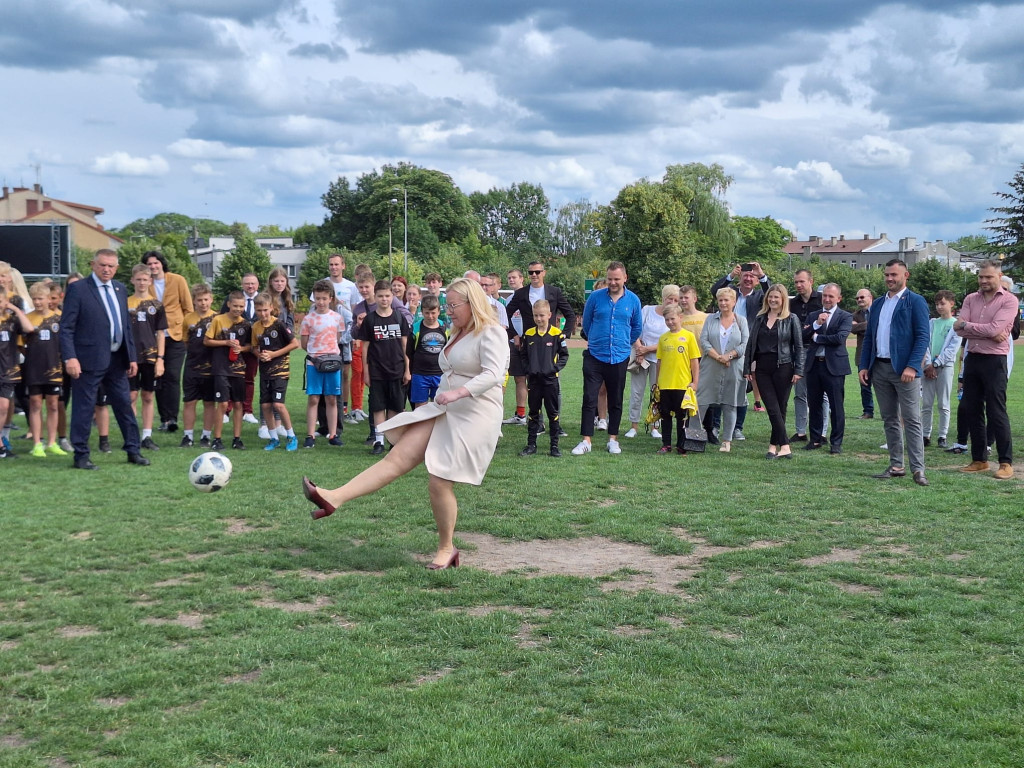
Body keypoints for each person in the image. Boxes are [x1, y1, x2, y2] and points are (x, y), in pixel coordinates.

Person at [302, 278, 509, 570]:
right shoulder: (458, 332)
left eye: (453, 305)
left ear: (471, 303)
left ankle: (446, 548)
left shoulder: (491, 333)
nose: (449, 311)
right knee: (396, 457)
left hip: (475, 413)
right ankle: (333, 497)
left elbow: (492, 374)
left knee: (439, 479)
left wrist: (459, 392)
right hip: (445, 407)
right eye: (447, 305)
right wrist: (445, 397)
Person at [60, 249, 150, 469]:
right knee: (84, 408)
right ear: (93, 265)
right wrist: (70, 357)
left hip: (117, 360)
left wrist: (131, 357)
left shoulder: (120, 289)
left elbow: (125, 326)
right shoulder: (78, 289)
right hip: (87, 359)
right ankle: (81, 455)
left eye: (111, 266)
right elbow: (66, 327)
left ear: (117, 268)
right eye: (103, 265)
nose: (107, 269)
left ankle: (133, 450)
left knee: (124, 406)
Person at [858, 259, 930, 486]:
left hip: (905, 370)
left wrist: (912, 366)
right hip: (879, 368)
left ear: (905, 275)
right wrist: (863, 365)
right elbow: (869, 337)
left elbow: (922, 337)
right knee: (889, 419)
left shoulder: (915, 301)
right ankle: (897, 465)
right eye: (887, 275)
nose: (889, 278)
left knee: (912, 419)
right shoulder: (878, 304)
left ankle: (918, 469)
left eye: (894, 275)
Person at [954, 260, 1018, 480]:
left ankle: (1005, 462)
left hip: (995, 361)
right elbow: (957, 328)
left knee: (996, 411)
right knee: (971, 408)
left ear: (999, 277)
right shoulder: (971, 299)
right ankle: (980, 459)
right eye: (981, 277)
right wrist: (982, 330)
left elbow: (996, 329)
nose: (983, 281)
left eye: (988, 277)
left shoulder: (1009, 300)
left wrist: (968, 326)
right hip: (974, 359)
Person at [573, 262, 643, 456]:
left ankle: (613, 439)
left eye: (616, 279)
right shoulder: (595, 298)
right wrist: (596, 340)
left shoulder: (633, 300)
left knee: (616, 399)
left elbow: (636, 327)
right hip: (595, 355)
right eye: (610, 279)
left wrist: (623, 343)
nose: (613, 282)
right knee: (589, 397)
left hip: (619, 356)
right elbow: (586, 324)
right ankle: (586, 440)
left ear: (625, 278)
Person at [504, 261, 576, 425]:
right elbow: (505, 315)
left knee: (553, 384)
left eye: (537, 272)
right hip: (530, 345)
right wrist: (514, 335)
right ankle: (538, 423)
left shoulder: (554, 292)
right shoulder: (521, 293)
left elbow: (570, 315)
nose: (534, 275)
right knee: (533, 385)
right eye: (531, 272)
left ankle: (555, 423)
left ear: (544, 272)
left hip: (551, 346)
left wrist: (563, 336)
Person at [744, 284, 803, 460]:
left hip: (784, 367)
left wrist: (798, 370)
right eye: (770, 297)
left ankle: (773, 446)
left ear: (783, 299)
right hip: (762, 368)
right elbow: (750, 345)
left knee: (780, 407)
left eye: (776, 297)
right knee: (771, 407)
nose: (773, 300)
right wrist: (747, 367)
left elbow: (798, 347)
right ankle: (785, 445)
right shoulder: (760, 318)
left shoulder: (791, 319)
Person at [711, 260, 771, 428]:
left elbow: (771, 293)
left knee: (743, 385)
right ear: (740, 277)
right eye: (746, 275)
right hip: (723, 343)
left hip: (747, 345)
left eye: (752, 276)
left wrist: (762, 274)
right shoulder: (730, 293)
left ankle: (737, 426)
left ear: (757, 280)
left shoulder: (759, 296)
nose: (748, 278)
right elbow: (715, 291)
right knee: (719, 385)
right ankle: (716, 425)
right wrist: (730, 275)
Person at [357, 280, 411, 456]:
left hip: (397, 369)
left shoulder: (399, 317)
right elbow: (364, 347)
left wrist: (407, 368)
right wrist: (366, 371)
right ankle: (378, 441)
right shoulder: (370, 319)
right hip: (377, 370)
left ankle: (393, 441)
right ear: (375, 296)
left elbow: (405, 345)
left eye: (387, 296)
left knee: (395, 408)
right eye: (380, 296)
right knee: (378, 407)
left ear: (392, 296)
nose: (384, 299)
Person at [144, 251, 193, 433]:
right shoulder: (145, 283)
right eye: (149, 264)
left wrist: (188, 334)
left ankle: (172, 418)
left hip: (175, 335)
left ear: (162, 264)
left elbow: (188, 308)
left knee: (172, 375)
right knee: (158, 377)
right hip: (152, 337)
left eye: (156, 263)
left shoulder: (178, 280)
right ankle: (164, 418)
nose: (153, 267)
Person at [803, 283, 852, 454]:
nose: (827, 299)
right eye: (825, 296)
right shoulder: (813, 315)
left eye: (831, 296)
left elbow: (839, 338)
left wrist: (817, 337)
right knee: (814, 404)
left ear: (839, 298)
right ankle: (815, 439)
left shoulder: (845, 316)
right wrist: (816, 325)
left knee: (836, 406)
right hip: (814, 365)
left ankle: (836, 442)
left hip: (834, 366)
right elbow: (803, 336)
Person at [697, 288, 748, 453]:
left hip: (734, 368)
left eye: (726, 300)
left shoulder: (741, 321)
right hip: (710, 366)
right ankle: (694, 437)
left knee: (730, 403)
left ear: (733, 302)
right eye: (720, 300)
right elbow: (703, 341)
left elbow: (745, 344)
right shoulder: (710, 319)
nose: (723, 303)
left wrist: (729, 356)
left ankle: (727, 441)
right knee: (701, 402)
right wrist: (719, 357)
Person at [625, 284, 678, 440]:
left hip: (661, 359)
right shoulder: (647, 310)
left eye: (676, 300)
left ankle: (655, 426)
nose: (672, 302)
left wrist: (648, 349)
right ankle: (633, 426)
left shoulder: (674, 317)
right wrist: (640, 349)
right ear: (663, 298)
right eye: (670, 298)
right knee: (636, 392)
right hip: (641, 358)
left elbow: (669, 340)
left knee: (657, 394)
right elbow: (635, 329)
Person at [518, 299, 569, 457]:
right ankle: (531, 444)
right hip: (534, 381)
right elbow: (523, 355)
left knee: (553, 413)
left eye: (541, 315)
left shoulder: (557, 334)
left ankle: (554, 446)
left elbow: (564, 355)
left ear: (549, 315)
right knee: (533, 413)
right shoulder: (529, 334)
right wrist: (529, 369)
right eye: (535, 316)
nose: (539, 319)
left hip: (550, 381)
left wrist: (553, 368)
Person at [23, 282, 66, 458]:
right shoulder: (27, 318)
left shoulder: (59, 319)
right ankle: (37, 443)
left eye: (40, 298)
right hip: (34, 368)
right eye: (34, 299)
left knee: (53, 404)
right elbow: (21, 344)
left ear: (49, 299)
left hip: (54, 368)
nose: (37, 302)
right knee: (35, 403)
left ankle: (52, 442)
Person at [127, 264, 167, 451]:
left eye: (145, 279)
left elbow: (160, 333)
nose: (142, 282)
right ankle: (132, 435)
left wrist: (160, 358)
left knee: (148, 396)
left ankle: (147, 436)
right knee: (131, 396)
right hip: (130, 357)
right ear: (132, 280)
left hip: (151, 357)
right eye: (139, 279)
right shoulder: (125, 303)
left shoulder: (157, 305)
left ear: (150, 281)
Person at [300, 280, 345, 449]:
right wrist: (316, 354)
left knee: (332, 398)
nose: (321, 302)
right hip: (314, 363)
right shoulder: (308, 319)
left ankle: (333, 434)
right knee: (313, 398)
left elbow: (338, 339)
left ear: (330, 298)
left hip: (332, 362)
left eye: (324, 298)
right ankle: (310, 434)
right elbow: (304, 343)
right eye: (318, 298)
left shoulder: (337, 318)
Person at [252, 293, 300, 451]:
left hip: (280, 371)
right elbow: (254, 347)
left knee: (278, 405)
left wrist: (273, 354)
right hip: (265, 372)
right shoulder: (256, 327)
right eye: (259, 310)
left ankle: (291, 436)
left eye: (265, 310)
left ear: (271, 308)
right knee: (265, 406)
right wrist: (259, 355)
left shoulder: (279, 325)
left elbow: (294, 344)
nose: (263, 313)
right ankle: (273, 438)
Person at [204, 290, 252, 450]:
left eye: (241, 306)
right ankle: (217, 439)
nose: (238, 309)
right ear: (229, 304)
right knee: (223, 404)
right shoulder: (218, 320)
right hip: (221, 368)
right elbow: (207, 341)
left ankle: (237, 439)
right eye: (235, 306)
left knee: (238, 404)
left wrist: (242, 349)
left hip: (238, 370)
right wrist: (225, 343)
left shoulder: (246, 325)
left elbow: (250, 346)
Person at [653, 304, 701, 455]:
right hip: (665, 384)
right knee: (665, 415)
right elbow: (659, 361)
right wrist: (657, 382)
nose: (670, 322)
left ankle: (682, 445)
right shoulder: (663, 338)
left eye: (672, 318)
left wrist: (695, 382)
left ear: (680, 317)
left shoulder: (688, 337)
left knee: (682, 417)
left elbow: (694, 361)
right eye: (667, 319)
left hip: (682, 384)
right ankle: (666, 444)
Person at [179, 283, 217, 448]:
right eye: (199, 300)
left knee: (209, 403)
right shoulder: (188, 319)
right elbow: (186, 341)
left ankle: (206, 436)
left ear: (211, 299)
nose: (203, 303)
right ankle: (188, 436)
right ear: (194, 301)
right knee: (189, 402)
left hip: (211, 368)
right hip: (192, 367)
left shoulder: (218, 318)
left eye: (206, 299)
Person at [921, 290, 959, 449]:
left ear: (951, 304)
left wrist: (937, 363)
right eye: (937, 304)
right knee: (927, 403)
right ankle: (925, 434)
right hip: (927, 367)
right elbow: (925, 343)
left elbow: (952, 348)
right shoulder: (932, 323)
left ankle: (942, 435)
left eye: (942, 303)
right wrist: (929, 364)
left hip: (945, 366)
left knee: (943, 403)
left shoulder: (955, 324)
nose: (939, 307)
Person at [788, 269, 822, 442]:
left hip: (818, 351)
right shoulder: (792, 303)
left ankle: (821, 432)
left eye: (802, 281)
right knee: (799, 393)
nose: (799, 285)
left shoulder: (822, 300)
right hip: (799, 352)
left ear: (811, 281)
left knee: (820, 395)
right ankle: (801, 431)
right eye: (796, 282)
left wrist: (806, 330)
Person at [0, 285, 33, 458]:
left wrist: (15, 309)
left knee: (4, 407)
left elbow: (29, 328)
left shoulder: (11, 320)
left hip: (7, 369)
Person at [408, 294, 446, 408]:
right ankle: (420, 426)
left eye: (433, 313)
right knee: (420, 407)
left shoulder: (445, 327)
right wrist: (408, 371)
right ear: (422, 312)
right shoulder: (415, 328)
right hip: (420, 373)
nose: (430, 316)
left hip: (440, 373)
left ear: (438, 311)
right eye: (427, 313)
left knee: (439, 406)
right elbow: (408, 352)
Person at [851, 289, 875, 419]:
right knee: (865, 385)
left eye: (862, 297)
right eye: (857, 298)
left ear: (870, 297)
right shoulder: (855, 315)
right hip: (862, 355)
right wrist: (871, 325)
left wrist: (860, 326)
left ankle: (888, 412)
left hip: (878, 354)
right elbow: (851, 328)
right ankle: (868, 411)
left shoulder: (878, 310)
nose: (859, 300)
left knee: (883, 386)